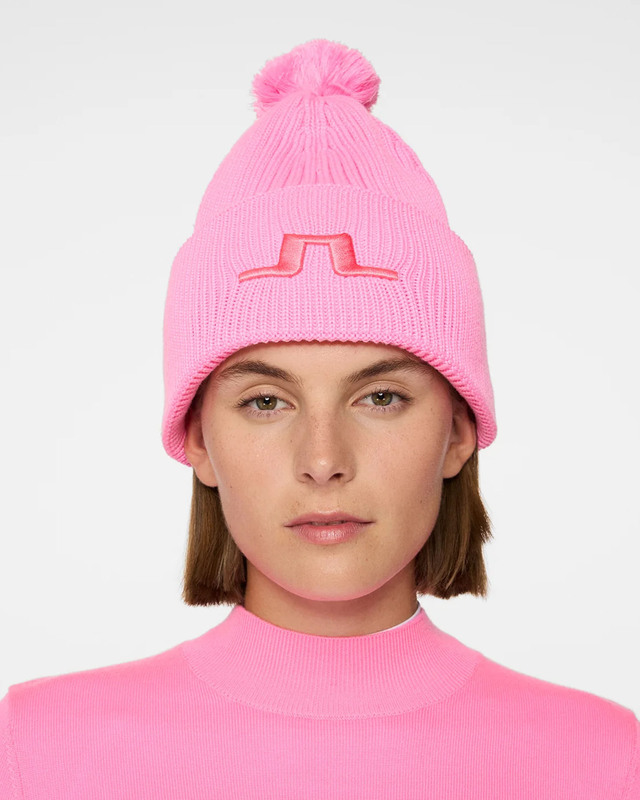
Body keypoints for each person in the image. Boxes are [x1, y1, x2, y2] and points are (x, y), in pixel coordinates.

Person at [0, 38, 638, 798]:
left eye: (381, 397)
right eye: (266, 402)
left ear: (459, 432)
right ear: (198, 438)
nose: (324, 460)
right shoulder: (34, 748)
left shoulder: (605, 758)